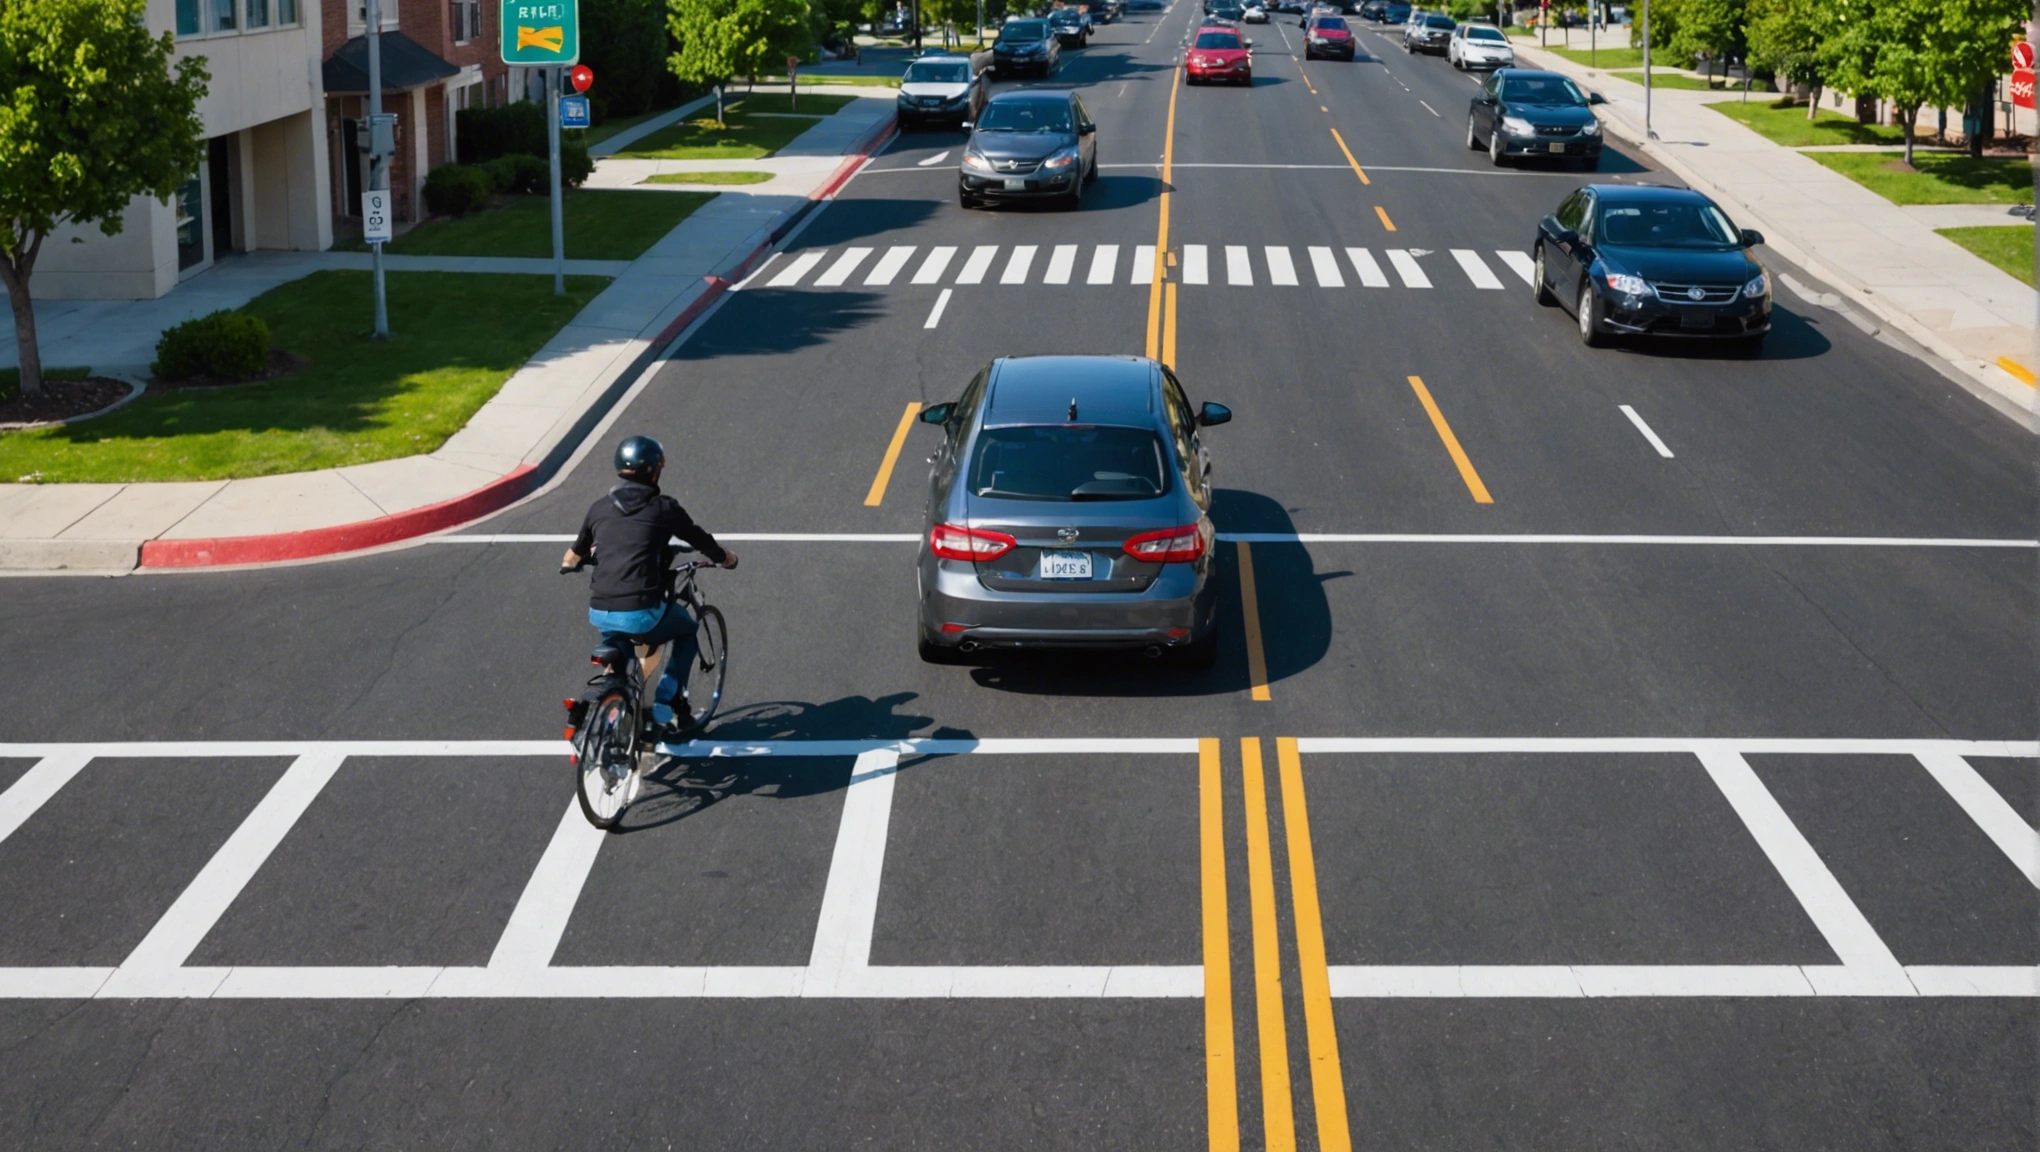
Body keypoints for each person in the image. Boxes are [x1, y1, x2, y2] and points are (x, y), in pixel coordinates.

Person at [561, 436, 738, 734]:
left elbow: (571, 556)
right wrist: (726, 558)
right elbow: (699, 539)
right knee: (686, 631)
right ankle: (665, 704)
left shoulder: (599, 508)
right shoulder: (664, 508)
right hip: (640, 610)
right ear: (655, 470)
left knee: (620, 648)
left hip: (600, 608)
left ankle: (616, 708)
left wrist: (572, 564)